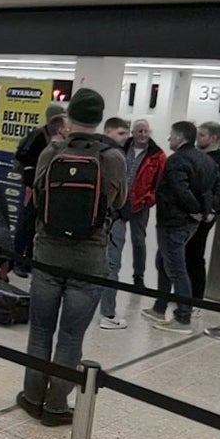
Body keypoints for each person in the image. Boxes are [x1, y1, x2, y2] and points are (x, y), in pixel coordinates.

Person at [16, 88, 126, 427]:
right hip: (89, 257)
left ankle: (32, 396)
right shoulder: (113, 157)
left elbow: (37, 196)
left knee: (40, 331)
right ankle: (56, 407)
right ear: (99, 117)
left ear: (70, 114)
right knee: (70, 336)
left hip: (48, 252)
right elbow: (119, 203)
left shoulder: (52, 151)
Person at [142, 121, 220, 334]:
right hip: (190, 223)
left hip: (174, 221)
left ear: (180, 137)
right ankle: (160, 306)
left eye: (171, 135)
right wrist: (205, 211)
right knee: (163, 261)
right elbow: (215, 189)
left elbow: (180, 189)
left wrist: (195, 209)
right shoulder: (206, 160)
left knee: (176, 268)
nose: (169, 139)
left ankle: (183, 316)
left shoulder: (176, 161)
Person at [12, 102, 67, 273]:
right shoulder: (39, 135)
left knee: (37, 226)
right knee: (27, 224)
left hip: (46, 189)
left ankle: (29, 259)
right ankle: (18, 260)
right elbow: (23, 157)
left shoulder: (55, 138)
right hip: (34, 186)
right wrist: (31, 179)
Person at [186, 121, 220, 302]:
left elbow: (214, 190)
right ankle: (187, 294)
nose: (198, 138)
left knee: (195, 254)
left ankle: (195, 297)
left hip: (203, 214)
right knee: (189, 253)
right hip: (197, 212)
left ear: (213, 138)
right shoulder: (203, 158)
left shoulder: (214, 162)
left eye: (202, 135)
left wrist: (206, 211)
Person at [119, 119, 166, 289]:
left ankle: (138, 276)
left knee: (138, 241)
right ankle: (110, 271)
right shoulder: (121, 149)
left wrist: (149, 199)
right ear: (133, 132)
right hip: (119, 202)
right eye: (139, 131)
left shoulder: (157, 155)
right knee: (115, 238)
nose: (143, 135)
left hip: (140, 205)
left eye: (146, 131)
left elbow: (161, 183)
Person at [97, 117, 132, 330]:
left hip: (92, 218)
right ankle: (108, 313)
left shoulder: (90, 149)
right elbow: (121, 194)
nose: (125, 137)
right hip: (112, 217)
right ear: (108, 131)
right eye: (121, 133)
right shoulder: (115, 156)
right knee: (111, 265)